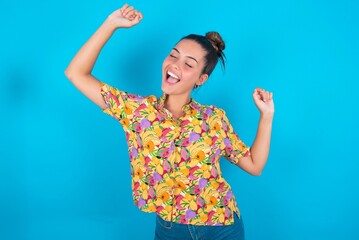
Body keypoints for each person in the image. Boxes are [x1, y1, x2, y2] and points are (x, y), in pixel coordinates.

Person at [65, 3, 274, 240]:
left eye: (188, 64)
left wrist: (266, 116)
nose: (175, 64)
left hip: (222, 227)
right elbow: (76, 73)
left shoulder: (214, 118)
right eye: (173, 55)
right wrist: (111, 24)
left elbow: (254, 165)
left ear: (201, 79)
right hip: (170, 231)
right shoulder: (137, 111)